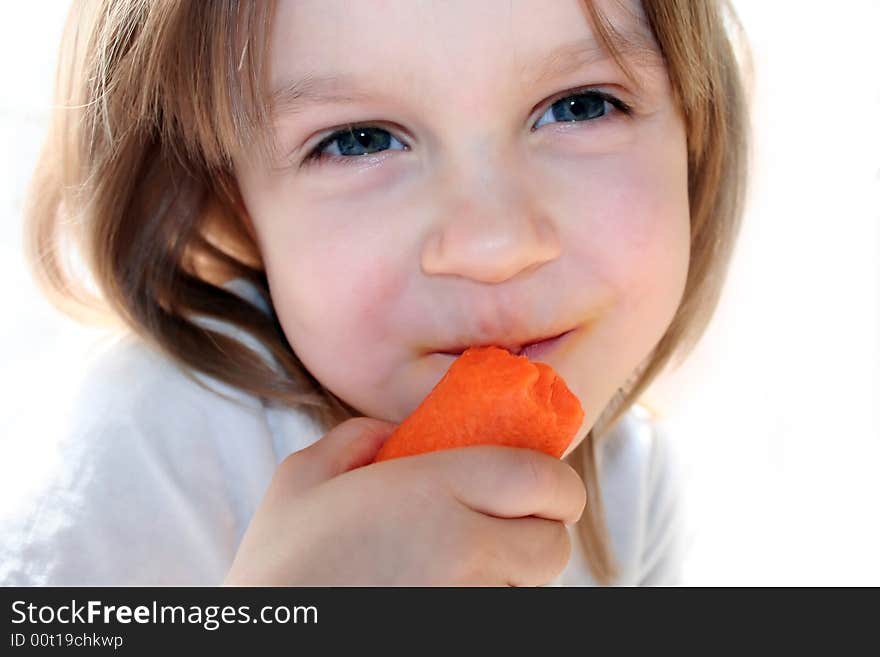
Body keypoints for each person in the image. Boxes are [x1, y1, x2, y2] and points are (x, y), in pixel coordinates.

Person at [1, 0, 749, 586]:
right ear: (229, 208)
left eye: (582, 104)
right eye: (359, 139)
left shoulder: (630, 488)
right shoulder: (156, 443)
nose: (493, 245)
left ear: (696, 128)